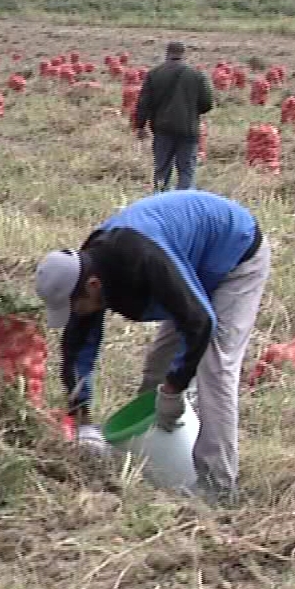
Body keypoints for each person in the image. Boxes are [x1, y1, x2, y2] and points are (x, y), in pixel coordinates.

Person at [35, 190, 270, 503]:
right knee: (157, 366)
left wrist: (173, 390)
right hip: (188, 267)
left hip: (235, 256)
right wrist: (82, 418)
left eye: (74, 307)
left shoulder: (142, 258)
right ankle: (152, 461)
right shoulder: (84, 274)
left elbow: (199, 323)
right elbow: (78, 347)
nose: (75, 315)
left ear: (93, 287)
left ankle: (219, 486)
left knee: (215, 367)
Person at [133, 40, 215, 192]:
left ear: (167, 53)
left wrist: (140, 125)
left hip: (162, 129)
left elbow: (143, 103)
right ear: (183, 54)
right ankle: (183, 201)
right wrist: (192, 112)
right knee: (186, 169)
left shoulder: (154, 73)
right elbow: (207, 103)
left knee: (162, 168)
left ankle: (160, 199)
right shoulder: (196, 75)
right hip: (188, 129)